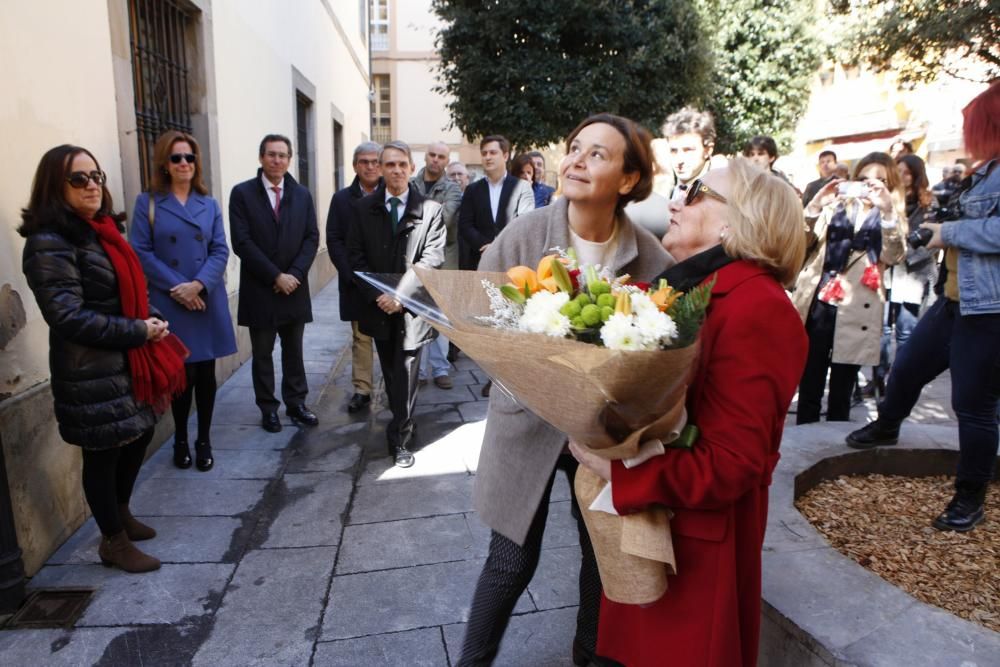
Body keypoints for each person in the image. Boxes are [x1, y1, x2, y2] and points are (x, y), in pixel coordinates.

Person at [570, 157, 808, 667]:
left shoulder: (756, 307)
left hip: (696, 555)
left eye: (696, 191)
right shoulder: (688, 289)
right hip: (660, 536)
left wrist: (616, 469)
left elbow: (734, 464)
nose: (675, 201)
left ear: (735, 222)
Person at [457, 113, 670, 667]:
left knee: (598, 552)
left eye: (597, 154)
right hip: (525, 419)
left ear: (627, 179)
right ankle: (472, 662)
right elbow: (481, 313)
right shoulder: (527, 234)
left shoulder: (648, 255)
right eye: (575, 148)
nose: (576, 160)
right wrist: (519, 361)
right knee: (509, 559)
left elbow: (670, 337)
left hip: (599, 434)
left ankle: (590, 655)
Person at [20, 145, 188, 573]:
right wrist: (137, 330)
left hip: (126, 362)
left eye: (97, 177)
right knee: (103, 454)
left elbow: (121, 292)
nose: (93, 185)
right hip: (89, 370)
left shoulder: (101, 230)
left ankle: (121, 512)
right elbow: (67, 316)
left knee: (136, 437)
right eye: (79, 179)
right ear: (55, 187)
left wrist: (146, 319)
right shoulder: (49, 242)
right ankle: (112, 541)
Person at [846, 82, 1000, 533]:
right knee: (908, 367)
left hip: (989, 311)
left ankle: (970, 497)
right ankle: (887, 425)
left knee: (973, 405)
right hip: (953, 300)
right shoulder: (985, 170)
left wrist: (946, 234)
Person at [130, 131, 236, 472]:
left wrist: (199, 285)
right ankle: (179, 438)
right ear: (164, 163)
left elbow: (220, 249)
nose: (184, 164)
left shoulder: (210, 204)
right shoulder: (146, 202)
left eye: (189, 157)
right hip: (171, 299)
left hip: (204, 297)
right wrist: (180, 288)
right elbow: (140, 251)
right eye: (176, 158)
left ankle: (203, 438)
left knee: (205, 374)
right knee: (180, 374)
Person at [348, 140, 446, 468]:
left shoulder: (430, 210)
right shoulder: (363, 209)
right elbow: (355, 257)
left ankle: (400, 436)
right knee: (391, 372)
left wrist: (400, 295)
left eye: (402, 164)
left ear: (411, 167)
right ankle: (403, 417)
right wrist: (379, 295)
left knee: (406, 369)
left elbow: (432, 257)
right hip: (378, 307)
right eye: (389, 164)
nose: (396, 170)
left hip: (413, 307)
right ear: (380, 167)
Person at [794, 152, 906, 424]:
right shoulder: (836, 207)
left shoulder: (891, 217)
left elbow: (894, 256)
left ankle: (833, 447)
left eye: (880, 180)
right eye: (865, 179)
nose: (871, 186)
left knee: (842, 390)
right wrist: (815, 206)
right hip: (820, 300)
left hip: (858, 305)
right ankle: (804, 442)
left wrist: (888, 211)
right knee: (810, 380)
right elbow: (801, 243)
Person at [230, 134, 320, 433]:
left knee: (294, 351)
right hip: (261, 287)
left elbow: (311, 237)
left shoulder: (302, 195)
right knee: (262, 353)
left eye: (282, 155)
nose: (277, 160)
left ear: (290, 159)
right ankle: (268, 408)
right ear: (261, 157)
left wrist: (293, 273)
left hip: (294, 286)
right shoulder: (242, 194)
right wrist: (275, 276)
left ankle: (296, 403)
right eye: (271, 154)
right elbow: (242, 242)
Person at [866, 154, 938, 397]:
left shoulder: (928, 202)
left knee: (906, 333)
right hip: (887, 274)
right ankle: (877, 381)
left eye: (907, 172)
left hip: (912, 275)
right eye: (899, 171)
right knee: (882, 330)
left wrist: (902, 253)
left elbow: (933, 240)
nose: (903, 177)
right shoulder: (887, 199)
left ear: (916, 175)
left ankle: (901, 383)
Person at [326, 142, 382, 413]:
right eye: (364, 162)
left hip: (385, 280)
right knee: (361, 337)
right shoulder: (341, 199)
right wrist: (349, 274)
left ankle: (395, 386)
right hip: (355, 280)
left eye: (374, 161)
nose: (370, 166)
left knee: (390, 337)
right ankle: (362, 388)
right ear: (355, 166)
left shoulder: (393, 193)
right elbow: (334, 238)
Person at [413, 141, 462, 390]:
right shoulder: (411, 184)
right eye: (432, 155)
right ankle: (419, 371)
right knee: (417, 315)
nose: (435, 159)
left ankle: (441, 369)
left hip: (444, 260)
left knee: (441, 318)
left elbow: (446, 218)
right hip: (414, 260)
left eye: (441, 156)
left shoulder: (453, 189)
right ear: (425, 156)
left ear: (446, 160)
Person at [457, 135, 534, 271]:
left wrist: (499, 247)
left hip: (512, 261)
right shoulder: (472, 190)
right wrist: (487, 247)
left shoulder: (522, 187)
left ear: (505, 156)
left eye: (493, 153)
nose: (488, 157)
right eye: (484, 153)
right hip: (479, 260)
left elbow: (524, 223)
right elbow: (465, 225)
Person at [662, 106, 717, 200]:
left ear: (708, 150)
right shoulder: (663, 192)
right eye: (673, 151)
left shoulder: (719, 193)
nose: (679, 160)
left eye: (688, 150)